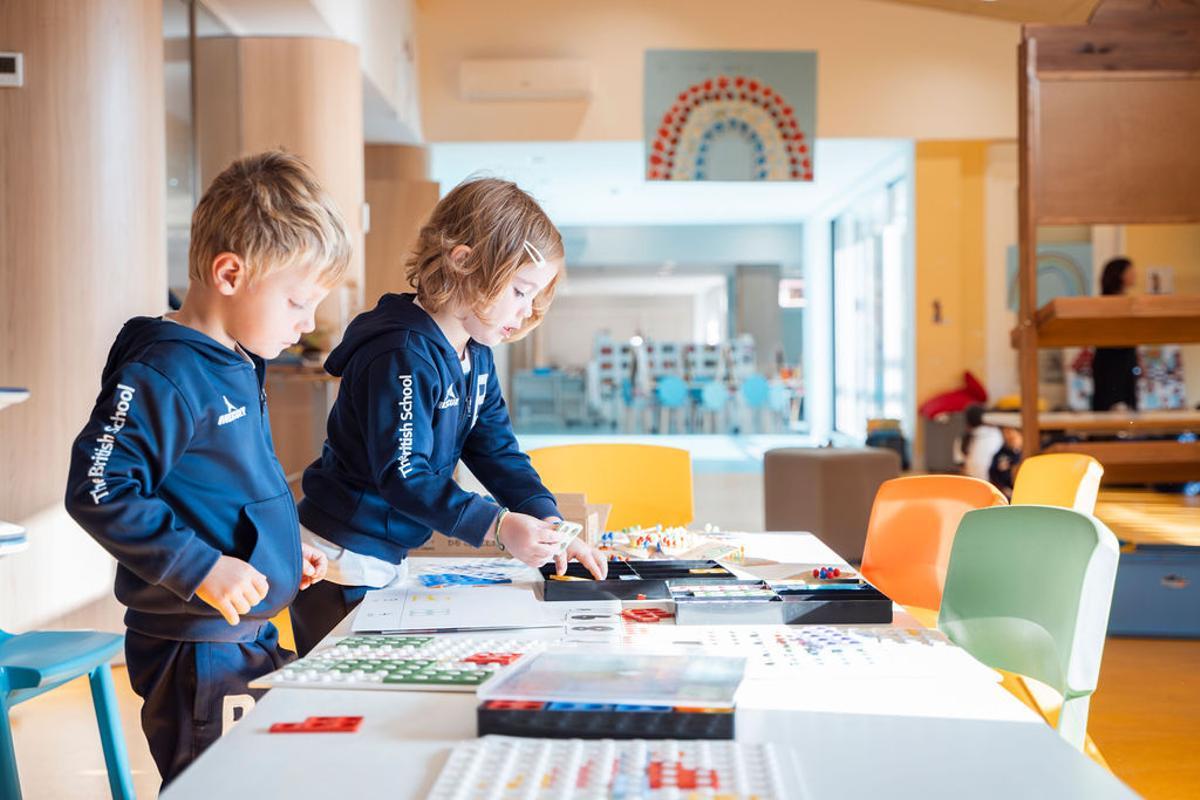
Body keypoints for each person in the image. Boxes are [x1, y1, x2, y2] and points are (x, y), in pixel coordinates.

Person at [65, 151, 347, 785]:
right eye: (299, 303)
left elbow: (229, 484)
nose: (307, 324)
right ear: (229, 273)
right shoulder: (165, 372)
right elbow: (98, 486)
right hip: (197, 646)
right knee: (217, 785)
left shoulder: (237, 361)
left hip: (239, 635)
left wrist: (278, 548)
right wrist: (205, 568)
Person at [290, 177, 608, 656]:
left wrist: (550, 524)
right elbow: (405, 475)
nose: (526, 313)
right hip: (340, 560)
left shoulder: (475, 352)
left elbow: (497, 450)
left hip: (386, 554)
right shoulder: (401, 353)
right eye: (520, 291)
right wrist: (500, 527)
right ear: (463, 262)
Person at [1092, 257, 1141, 411]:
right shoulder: (1106, 303)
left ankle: (1127, 432)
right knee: (1109, 402)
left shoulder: (1130, 302)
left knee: (1128, 403)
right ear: (1120, 275)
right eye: (1131, 271)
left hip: (1126, 357)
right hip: (1110, 359)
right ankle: (1105, 434)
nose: (1135, 275)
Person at [957, 404, 1004, 482]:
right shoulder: (996, 434)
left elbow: (961, 467)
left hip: (971, 482)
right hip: (992, 484)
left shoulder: (962, 439)